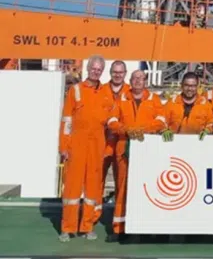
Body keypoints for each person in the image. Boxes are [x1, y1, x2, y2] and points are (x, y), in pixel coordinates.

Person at [58, 55, 114, 242]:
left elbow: (111, 121)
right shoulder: (75, 90)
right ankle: (67, 228)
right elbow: (67, 121)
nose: (95, 72)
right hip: (77, 144)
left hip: (97, 145)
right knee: (72, 188)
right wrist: (63, 146)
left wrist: (108, 147)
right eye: (93, 68)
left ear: (102, 71)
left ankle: (87, 226)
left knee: (93, 189)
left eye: (99, 69)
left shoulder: (106, 93)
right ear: (88, 69)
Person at [105, 70, 167, 241]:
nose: (138, 81)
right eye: (135, 78)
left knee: (148, 188)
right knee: (122, 188)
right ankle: (119, 228)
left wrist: (142, 130)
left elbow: (161, 121)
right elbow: (111, 121)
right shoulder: (121, 99)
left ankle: (146, 227)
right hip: (124, 148)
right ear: (130, 81)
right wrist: (126, 130)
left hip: (147, 149)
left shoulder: (154, 100)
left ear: (146, 81)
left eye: (141, 78)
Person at [94, 60, 130, 225]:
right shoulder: (100, 91)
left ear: (125, 73)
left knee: (122, 182)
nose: (117, 75)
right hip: (102, 141)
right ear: (110, 72)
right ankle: (93, 217)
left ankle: (119, 220)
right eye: (115, 72)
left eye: (120, 72)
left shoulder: (130, 92)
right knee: (96, 181)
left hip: (122, 142)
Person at [163, 72, 213, 139]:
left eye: (193, 86)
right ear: (182, 85)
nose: (189, 89)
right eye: (186, 85)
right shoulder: (171, 103)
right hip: (174, 142)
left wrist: (208, 130)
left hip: (198, 142)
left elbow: (211, 122)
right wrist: (164, 129)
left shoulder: (205, 105)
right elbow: (161, 120)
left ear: (197, 86)